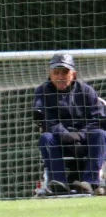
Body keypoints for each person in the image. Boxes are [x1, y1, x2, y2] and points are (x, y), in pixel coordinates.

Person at [33, 53, 106, 196]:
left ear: (73, 74)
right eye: (56, 72)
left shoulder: (86, 91)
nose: (60, 76)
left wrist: (80, 135)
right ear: (50, 74)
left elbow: (98, 119)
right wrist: (66, 135)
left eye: (65, 72)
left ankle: (89, 182)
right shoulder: (42, 91)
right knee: (45, 138)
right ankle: (58, 183)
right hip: (58, 139)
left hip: (84, 139)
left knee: (101, 134)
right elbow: (45, 119)